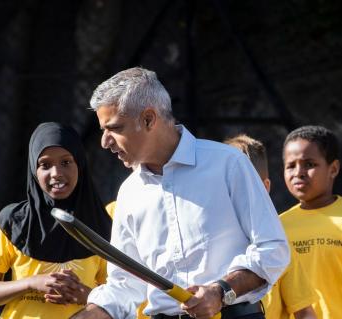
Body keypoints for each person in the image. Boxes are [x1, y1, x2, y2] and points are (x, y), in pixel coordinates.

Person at [73, 67, 290, 319]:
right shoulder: (129, 192)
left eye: (114, 128)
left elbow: (273, 248)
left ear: (148, 119)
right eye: (103, 130)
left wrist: (221, 292)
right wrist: (92, 314)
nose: (104, 142)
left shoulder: (228, 164)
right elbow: (125, 283)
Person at [0, 122, 113, 318]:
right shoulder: (13, 221)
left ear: (80, 164)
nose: (56, 173)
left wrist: (85, 295)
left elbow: (119, 296)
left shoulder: (101, 225)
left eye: (66, 162)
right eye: (45, 165)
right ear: (34, 170)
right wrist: (31, 283)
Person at [280, 125, 342, 318]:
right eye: (290, 165)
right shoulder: (277, 226)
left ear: (333, 169)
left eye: (309, 164)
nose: (298, 172)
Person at [224, 134, 318, 319]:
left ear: (265, 187)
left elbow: (304, 312)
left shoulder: (278, 246)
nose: (237, 193)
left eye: (248, 186)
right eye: (227, 185)